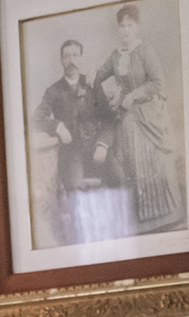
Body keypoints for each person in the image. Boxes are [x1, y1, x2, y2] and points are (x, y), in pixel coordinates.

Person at [31, 38, 127, 247]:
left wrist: (103, 144)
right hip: (72, 153)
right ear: (61, 61)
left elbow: (110, 119)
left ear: (81, 58)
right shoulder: (53, 91)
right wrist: (57, 126)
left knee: (118, 177)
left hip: (97, 149)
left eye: (75, 55)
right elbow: (36, 118)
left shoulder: (93, 85)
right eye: (67, 56)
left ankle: (115, 232)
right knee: (74, 188)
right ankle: (82, 240)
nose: (71, 60)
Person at [94, 4, 181, 231]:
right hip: (127, 115)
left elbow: (158, 82)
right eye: (121, 26)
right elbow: (101, 73)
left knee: (154, 161)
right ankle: (140, 216)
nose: (125, 30)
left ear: (137, 27)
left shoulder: (145, 51)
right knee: (130, 159)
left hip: (148, 114)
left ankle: (165, 214)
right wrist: (93, 74)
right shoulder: (115, 56)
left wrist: (133, 95)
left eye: (129, 25)